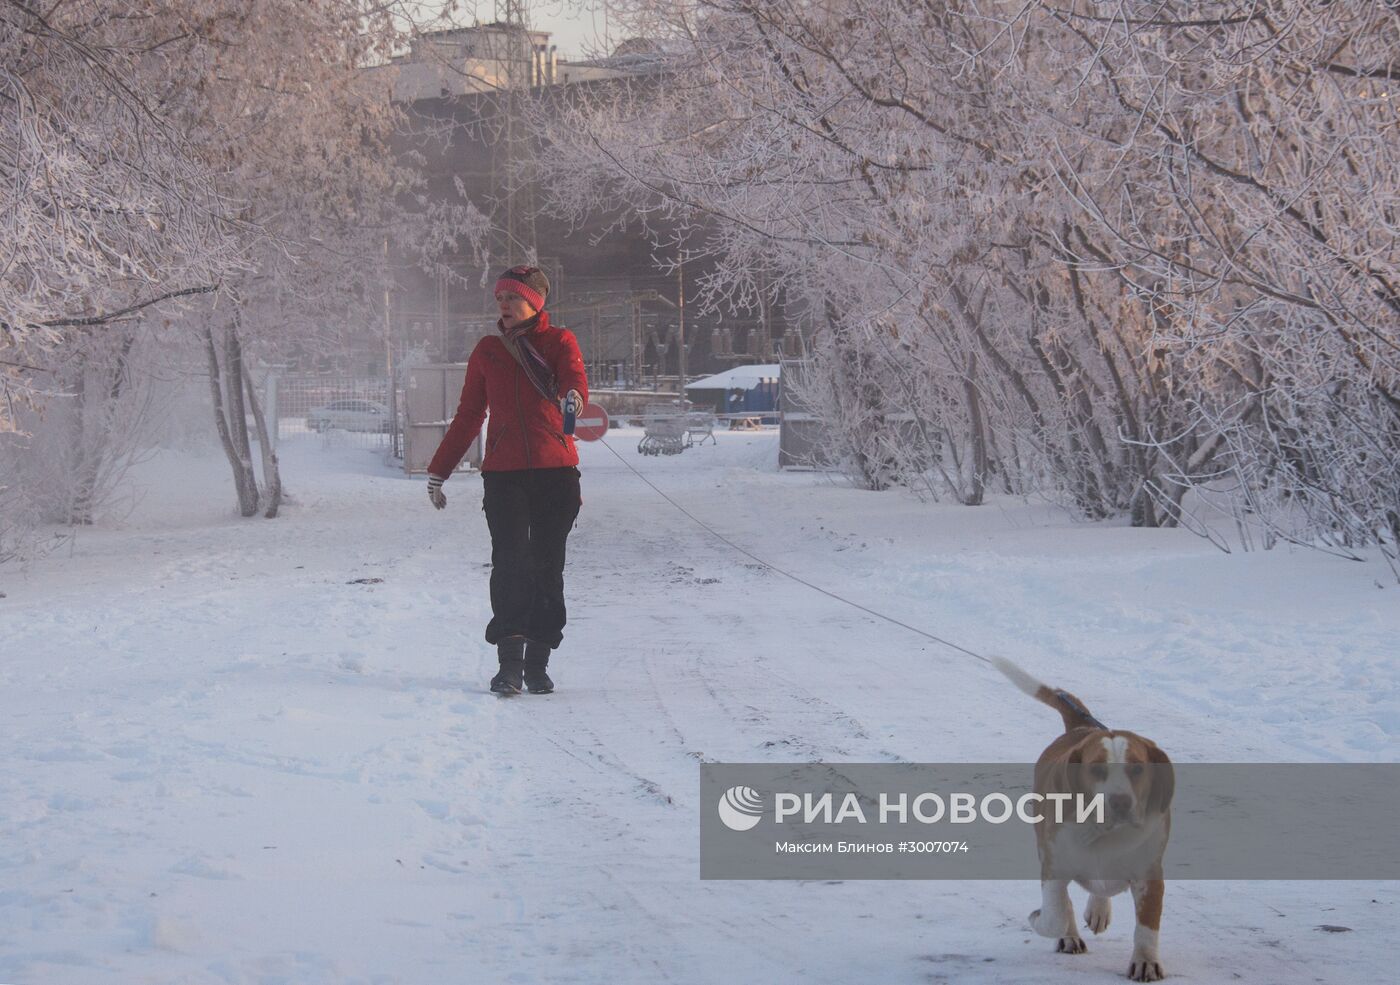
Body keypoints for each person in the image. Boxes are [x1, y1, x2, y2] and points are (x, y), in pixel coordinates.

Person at [425, 265, 588, 695]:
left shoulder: (559, 342)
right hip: (504, 476)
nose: (503, 306)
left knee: (547, 567)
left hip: (556, 473)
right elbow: (468, 416)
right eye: (499, 299)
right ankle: (509, 666)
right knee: (511, 563)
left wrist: (574, 397)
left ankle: (538, 662)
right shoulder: (487, 351)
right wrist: (439, 471)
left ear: (534, 302)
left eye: (512, 298)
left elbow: (574, 378)